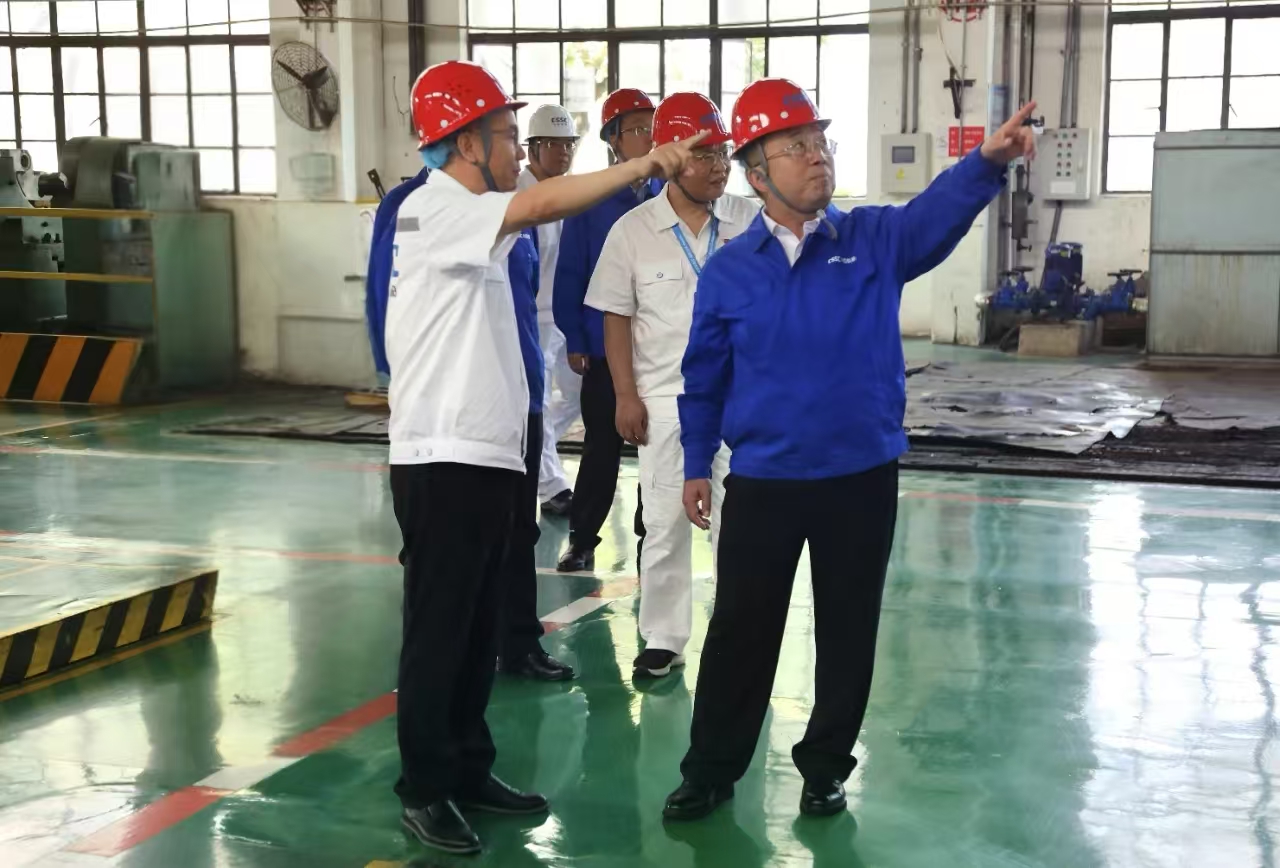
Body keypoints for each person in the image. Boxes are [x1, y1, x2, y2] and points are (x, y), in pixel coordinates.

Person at [662, 79, 1039, 822]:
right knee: (741, 630)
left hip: (859, 478)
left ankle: (825, 767)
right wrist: (696, 463)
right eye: (796, 146)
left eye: (820, 141)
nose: (817, 157)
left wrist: (987, 162)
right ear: (757, 173)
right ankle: (711, 770)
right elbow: (704, 376)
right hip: (765, 480)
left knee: (847, 628)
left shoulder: (871, 240)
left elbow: (934, 215)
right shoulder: (732, 270)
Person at [386, 60, 706, 856]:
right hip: (442, 456)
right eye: (505, 135)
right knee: (439, 631)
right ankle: (425, 787)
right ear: (464, 143)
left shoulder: (476, 218)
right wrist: (642, 164)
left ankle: (467, 768)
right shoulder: (434, 209)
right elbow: (540, 202)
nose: (519, 153)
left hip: (493, 452)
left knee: (475, 632)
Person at [584, 93, 757, 679]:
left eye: (724, 153)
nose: (719, 166)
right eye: (704, 155)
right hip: (664, 401)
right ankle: (662, 637)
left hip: (741, 402)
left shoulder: (749, 221)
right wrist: (624, 395)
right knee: (663, 524)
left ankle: (738, 637)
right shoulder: (632, 231)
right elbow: (616, 316)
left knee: (741, 527)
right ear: (671, 157)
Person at [552, 88, 660, 573]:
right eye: (637, 129)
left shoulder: (669, 195)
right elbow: (570, 273)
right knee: (602, 448)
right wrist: (576, 337)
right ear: (613, 139)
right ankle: (582, 539)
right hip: (601, 348)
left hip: (657, 350)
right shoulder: (591, 200)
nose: (648, 137)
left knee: (656, 450)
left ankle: (649, 536)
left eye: (652, 127)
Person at [494, 219, 578, 683]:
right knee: (453, 544)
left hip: (523, 399)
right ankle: (461, 649)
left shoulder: (518, 219)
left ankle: (519, 645)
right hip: (464, 412)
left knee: (519, 531)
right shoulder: (416, 209)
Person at [517, 104, 581, 518]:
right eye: (554, 145)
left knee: (577, 395)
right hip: (530, 319)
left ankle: (535, 451)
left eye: (568, 144)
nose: (563, 152)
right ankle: (551, 488)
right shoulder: (517, 196)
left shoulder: (571, 193)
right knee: (536, 401)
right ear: (533, 148)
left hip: (564, 316)